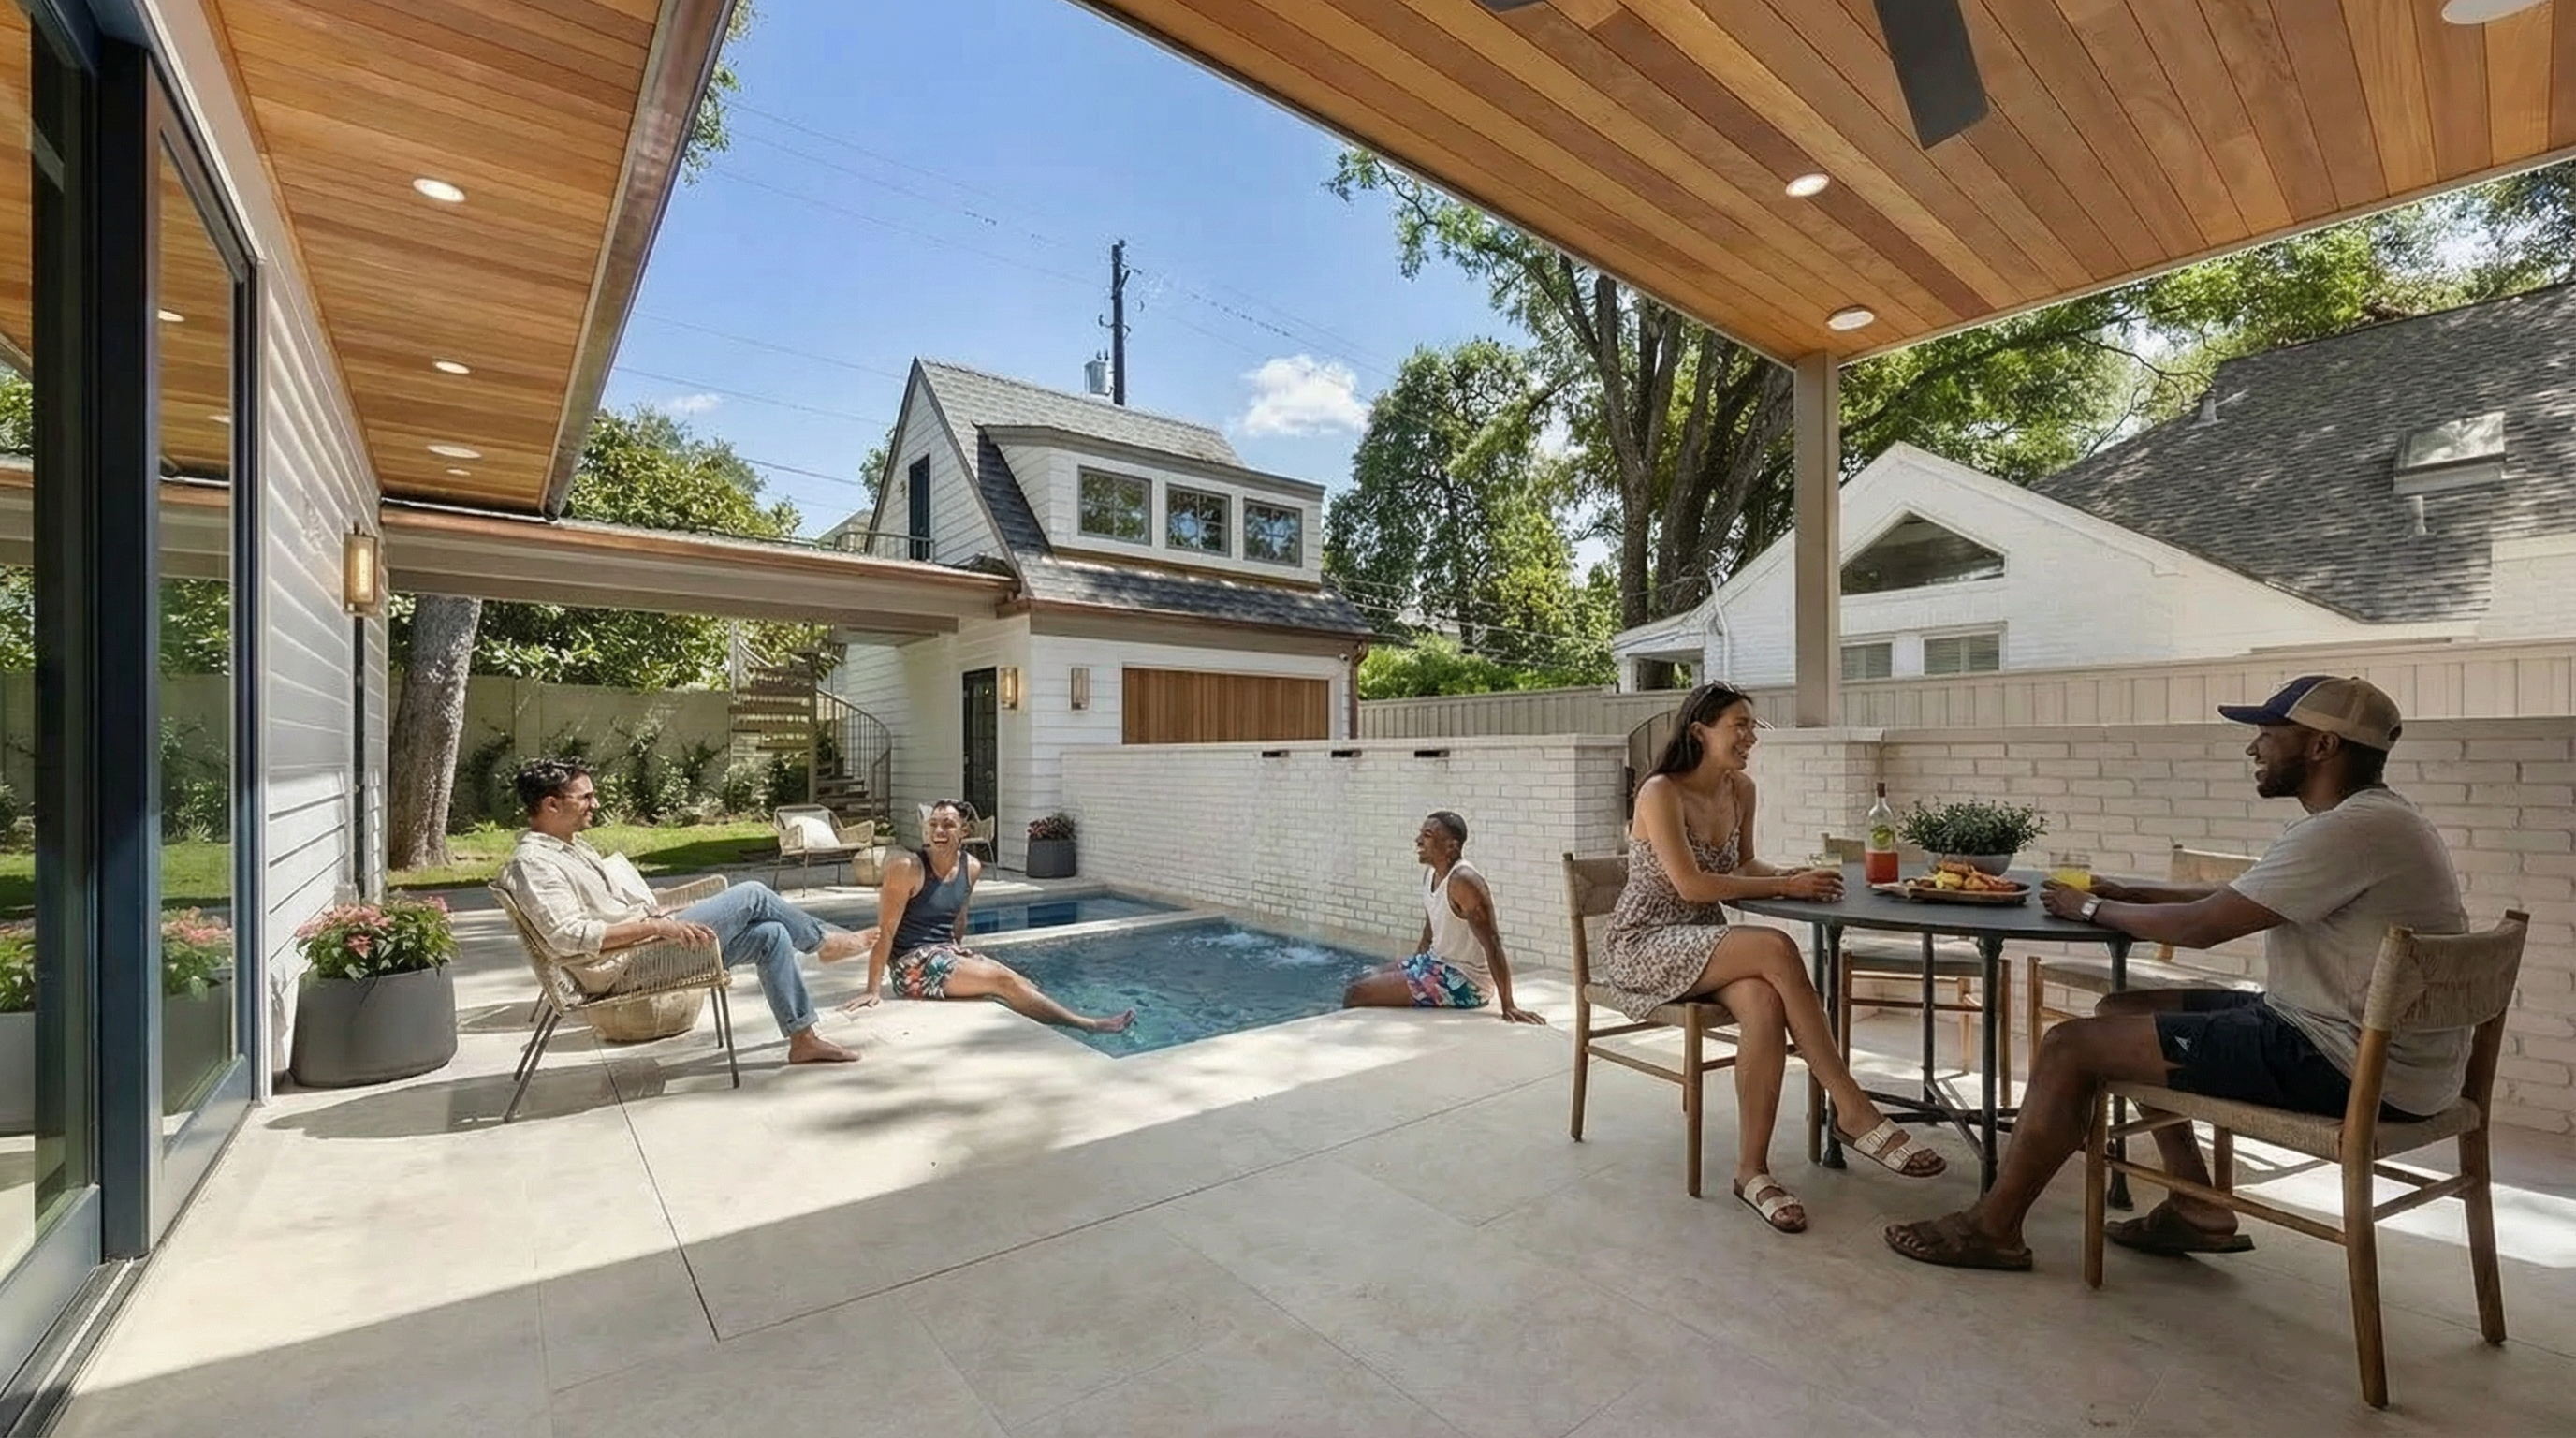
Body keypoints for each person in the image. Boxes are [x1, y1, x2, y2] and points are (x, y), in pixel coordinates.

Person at [1885, 676, 2470, 1271]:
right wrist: (2130, 892)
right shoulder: (2381, 821)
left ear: (2323, 746)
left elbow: (2202, 927)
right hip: (2376, 1052)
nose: (2254, 748)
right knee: (2122, 1010)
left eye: (2270, 734)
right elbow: (2236, 896)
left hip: (2341, 1060)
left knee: (2069, 1046)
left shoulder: (2346, 831)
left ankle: (1993, 1228)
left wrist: (2090, 909)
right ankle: (2197, 1207)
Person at [1608, 682, 1947, 1235]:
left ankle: (1751, 1173)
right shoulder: (1660, 792)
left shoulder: (1741, 789)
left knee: (1765, 1002)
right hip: (1646, 943)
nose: (1750, 737)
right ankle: (1852, 1108)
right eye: (1738, 726)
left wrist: (1794, 875)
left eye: (1752, 726)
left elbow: (1744, 866)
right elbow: (1693, 885)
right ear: (1700, 732)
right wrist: (1787, 888)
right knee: (1775, 945)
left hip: (1702, 941)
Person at [496, 757, 864, 1064]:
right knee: (753, 893)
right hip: (624, 967)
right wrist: (657, 928)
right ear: (551, 805)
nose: (595, 804)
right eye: (586, 797)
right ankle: (824, 943)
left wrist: (661, 913)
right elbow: (569, 937)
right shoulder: (535, 863)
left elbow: (611, 911)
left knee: (772, 935)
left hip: (643, 951)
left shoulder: (572, 847)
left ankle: (803, 1039)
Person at [842, 799, 1135, 1033]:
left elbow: (958, 919)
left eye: (948, 825)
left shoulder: (971, 867)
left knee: (1022, 981)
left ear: (964, 831)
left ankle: (1057, 1018)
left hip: (944, 952)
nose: (939, 831)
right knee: (1001, 980)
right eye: (933, 825)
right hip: (911, 966)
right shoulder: (907, 868)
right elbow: (885, 930)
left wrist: (961, 956)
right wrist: (872, 989)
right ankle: (1088, 1025)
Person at [1342, 811, 1546, 1023]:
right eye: (1421, 834)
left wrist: (1509, 1005)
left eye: (1427, 835)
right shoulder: (1431, 874)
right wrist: (1414, 966)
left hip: (1465, 981)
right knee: (1359, 979)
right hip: (1435, 963)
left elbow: (1492, 941)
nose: (1418, 840)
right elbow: (1430, 931)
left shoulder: (1464, 881)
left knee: (1356, 992)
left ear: (1452, 846)